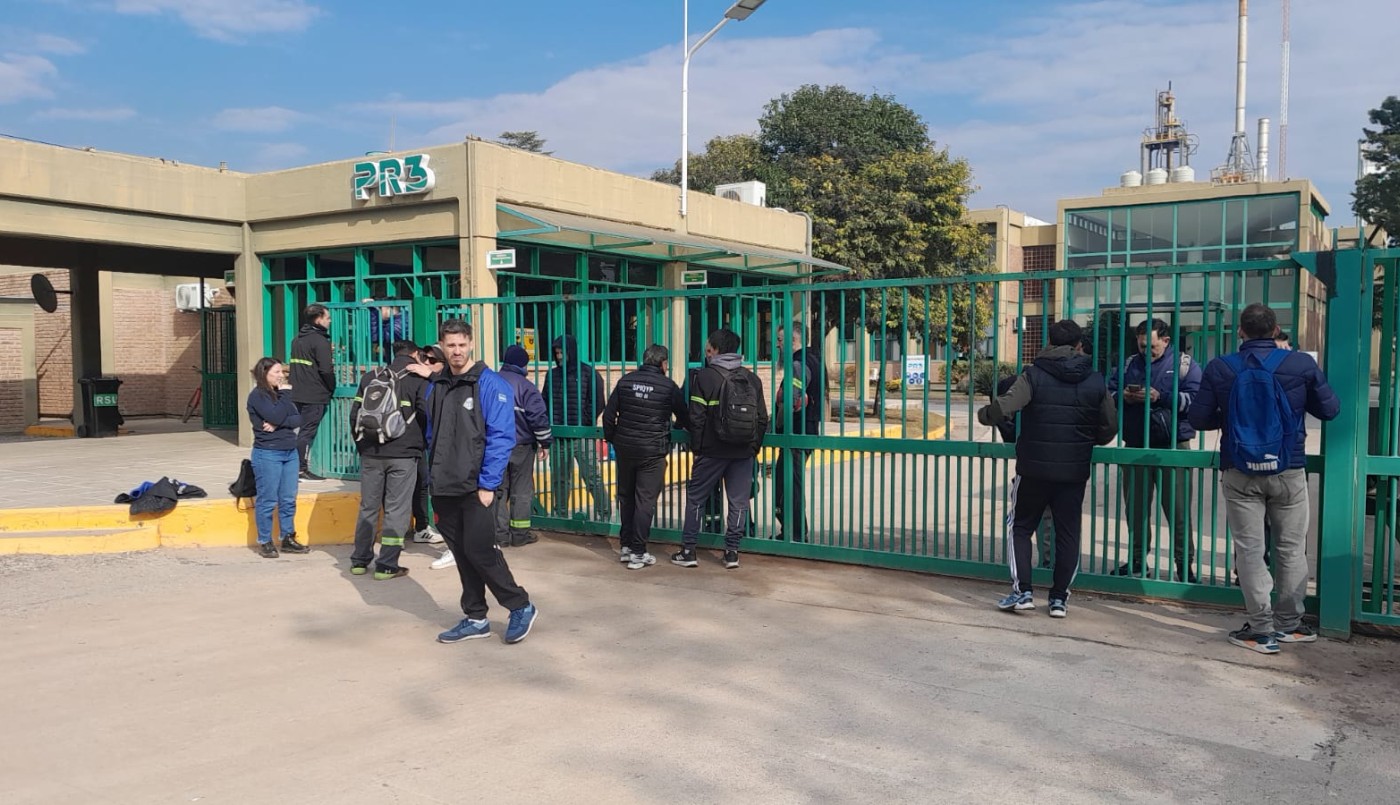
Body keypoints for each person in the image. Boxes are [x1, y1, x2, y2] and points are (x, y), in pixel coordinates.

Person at [1188, 303, 1339, 654]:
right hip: (1288, 469)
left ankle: (1260, 630)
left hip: (1240, 471)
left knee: (1251, 551)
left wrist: (1231, 418)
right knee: (1290, 548)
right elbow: (1330, 410)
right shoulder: (1300, 364)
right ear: (1275, 330)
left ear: (1240, 331)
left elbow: (1198, 419)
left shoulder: (1221, 367)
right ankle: (1290, 625)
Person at [977, 320, 1117, 618]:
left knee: (1021, 526)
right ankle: (1058, 600)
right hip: (1073, 472)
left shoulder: (1034, 375)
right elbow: (1108, 430)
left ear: (1050, 342)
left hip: (1034, 469)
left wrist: (985, 415)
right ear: (1080, 345)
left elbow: (1005, 407)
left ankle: (1023, 591)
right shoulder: (1095, 380)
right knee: (1069, 533)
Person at [426, 319, 538, 645]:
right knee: (461, 553)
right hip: (444, 485)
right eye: (450, 345)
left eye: (462, 344)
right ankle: (475, 617)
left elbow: (502, 438)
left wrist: (488, 485)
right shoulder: (437, 386)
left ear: (471, 344)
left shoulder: (491, 385)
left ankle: (520, 605)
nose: (457, 351)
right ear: (443, 346)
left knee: (480, 550)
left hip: (477, 487)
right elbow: (433, 434)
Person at [1107, 318, 1203, 582]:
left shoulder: (1184, 365)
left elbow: (1196, 401)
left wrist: (1161, 396)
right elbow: (1108, 392)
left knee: (1178, 510)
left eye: (1151, 346)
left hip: (1173, 447)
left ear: (1166, 341)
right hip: (1136, 444)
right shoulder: (1129, 364)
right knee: (1136, 509)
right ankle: (1138, 561)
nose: (1146, 351)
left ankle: (1184, 565)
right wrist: (1123, 396)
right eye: (1141, 346)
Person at [673, 329, 769, 570]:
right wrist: (752, 448)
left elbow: (696, 417)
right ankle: (732, 552)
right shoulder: (752, 379)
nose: (706, 354)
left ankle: (688, 550)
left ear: (715, 350)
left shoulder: (704, 377)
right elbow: (762, 419)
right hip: (742, 453)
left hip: (711, 452)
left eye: (708, 349)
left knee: (696, 498)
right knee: (738, 502)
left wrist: (699, 448)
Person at [347, 339, 429, 580]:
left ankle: (360, 561)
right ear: (415, 354)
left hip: (371, 452)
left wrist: (363, 446)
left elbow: (355, 415)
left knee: (368, 507)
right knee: (397, 509)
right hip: (404, 455)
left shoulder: (370, 377)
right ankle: (386, 565)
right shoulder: (417, 378)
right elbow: (426, 414)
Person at [602, 344, 689, 569]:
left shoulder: (625, 381)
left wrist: (614, 438)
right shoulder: (668, 386)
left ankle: (626, 547)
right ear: (663, 364)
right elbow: (685, 416)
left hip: (625, 448)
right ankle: (638, 553)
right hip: (652, 451)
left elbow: (609, 415)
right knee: (645, 501)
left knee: (627, 497)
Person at [245, 357, 310, 559]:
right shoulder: (258, 396)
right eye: (277, 373)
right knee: (268, 499)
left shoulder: (282, 396)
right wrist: (282, 405)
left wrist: (278, 422)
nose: (281, 376)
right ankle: (265, 540)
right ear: (264, 374)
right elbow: (274, 415)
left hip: (289, 451)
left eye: (282, 372)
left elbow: (298, 418)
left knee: (288, 498)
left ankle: (288, 537)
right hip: (268, 453)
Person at [542, 335, 610, 521]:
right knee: (560, 480)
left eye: (562, 352)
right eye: (556, 353)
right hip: (559, 435)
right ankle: (561, 515)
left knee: (591, 478)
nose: (560, 356)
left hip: (583, 435)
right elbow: (544, 402)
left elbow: (598, 402)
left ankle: (605, 515)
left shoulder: (588, 373)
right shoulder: (552, 375)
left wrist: (585, 422)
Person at [992, 373, 1055, 570]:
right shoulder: (1037, 385)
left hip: (1034, 462)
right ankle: (1051, 564)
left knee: (1025, 522)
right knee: (1045, 516)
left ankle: (1040, 567)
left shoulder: (1020, 386)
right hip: (1050, 460)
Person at [495, 344, 553, 548]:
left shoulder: (490, 383)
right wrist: (545, 442)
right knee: (521, 491)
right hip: (521, 446)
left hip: (495, 447)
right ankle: (520, 534)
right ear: (523, 364)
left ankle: (499, 536)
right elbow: (538, 418)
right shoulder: (527, 387)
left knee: (497, 491)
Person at [773, 320, 822, 542]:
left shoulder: (798, 364)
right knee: (788, 483)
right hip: (804, 432)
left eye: (780, 340)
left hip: (796, 434)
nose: (777, 346)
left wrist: (775, 426)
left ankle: (794, 534)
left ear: (793, 341)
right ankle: (793, 531)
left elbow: (792, 402)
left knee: (788, 486)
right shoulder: (813, 359)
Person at [289, 303, 334, 482]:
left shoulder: (297, 339)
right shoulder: (320, 341)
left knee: (299, 431)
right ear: (318, 319)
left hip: (298, 392)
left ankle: (292, 465)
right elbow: (326, 370)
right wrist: (332, 387)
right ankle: (300, 468)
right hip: (314, 394)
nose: (329, 321)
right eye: (328, 318)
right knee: (307, 433)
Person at [413, 344, 446, 551]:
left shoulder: (445, 383)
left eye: (433, 360)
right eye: (425, 358)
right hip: (424, 443)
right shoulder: (419, 382)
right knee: (423, 485)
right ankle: (423, 527)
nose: (426, 363)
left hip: (445, 447)